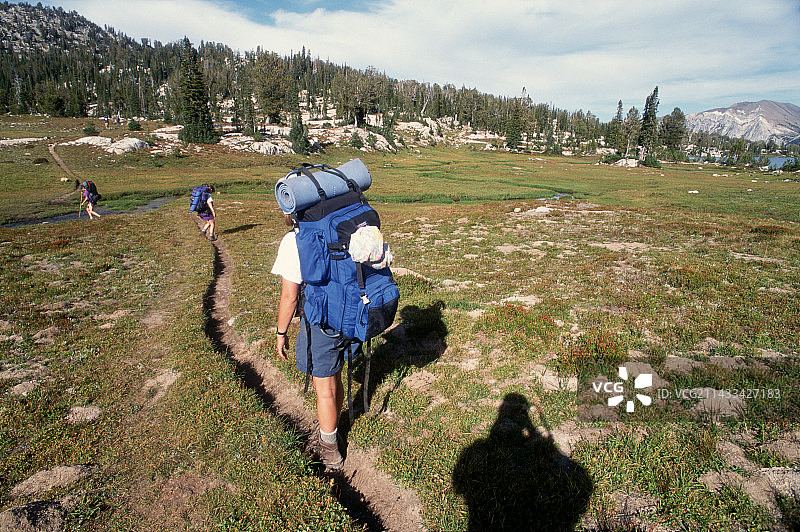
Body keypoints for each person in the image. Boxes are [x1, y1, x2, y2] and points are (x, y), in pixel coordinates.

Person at [271, 213, 360, 470]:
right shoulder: (346, 227)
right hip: (350, 315)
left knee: (325, 389)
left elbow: (289, 297)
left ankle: (330, 448)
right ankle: (335, 425)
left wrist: (281, 332)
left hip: (322, 320)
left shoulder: (295, 240)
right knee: (336, 377)